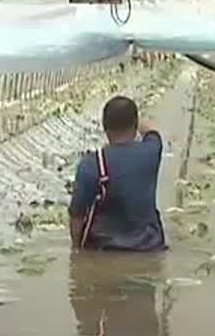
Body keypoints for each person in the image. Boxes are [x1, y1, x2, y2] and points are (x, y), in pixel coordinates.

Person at [68, 95, 167, 253]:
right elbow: (152, 131)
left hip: (102, 251)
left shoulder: (92, 164)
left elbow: (77, 215)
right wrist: (137, 121)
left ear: (104, 127)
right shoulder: (152, 151)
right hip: (150, 248)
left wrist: (75, 250)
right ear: (134, 125)